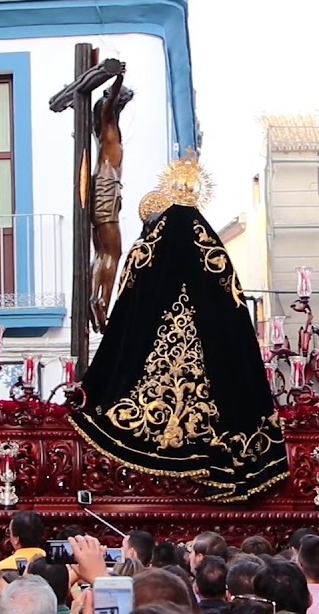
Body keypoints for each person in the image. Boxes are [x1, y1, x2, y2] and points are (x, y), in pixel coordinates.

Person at [68, 156, 289, 503]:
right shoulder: (213, 254)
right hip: (216, 395)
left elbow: (127, 322)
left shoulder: (147, 253)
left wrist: (98, 382)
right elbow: (235, 333)